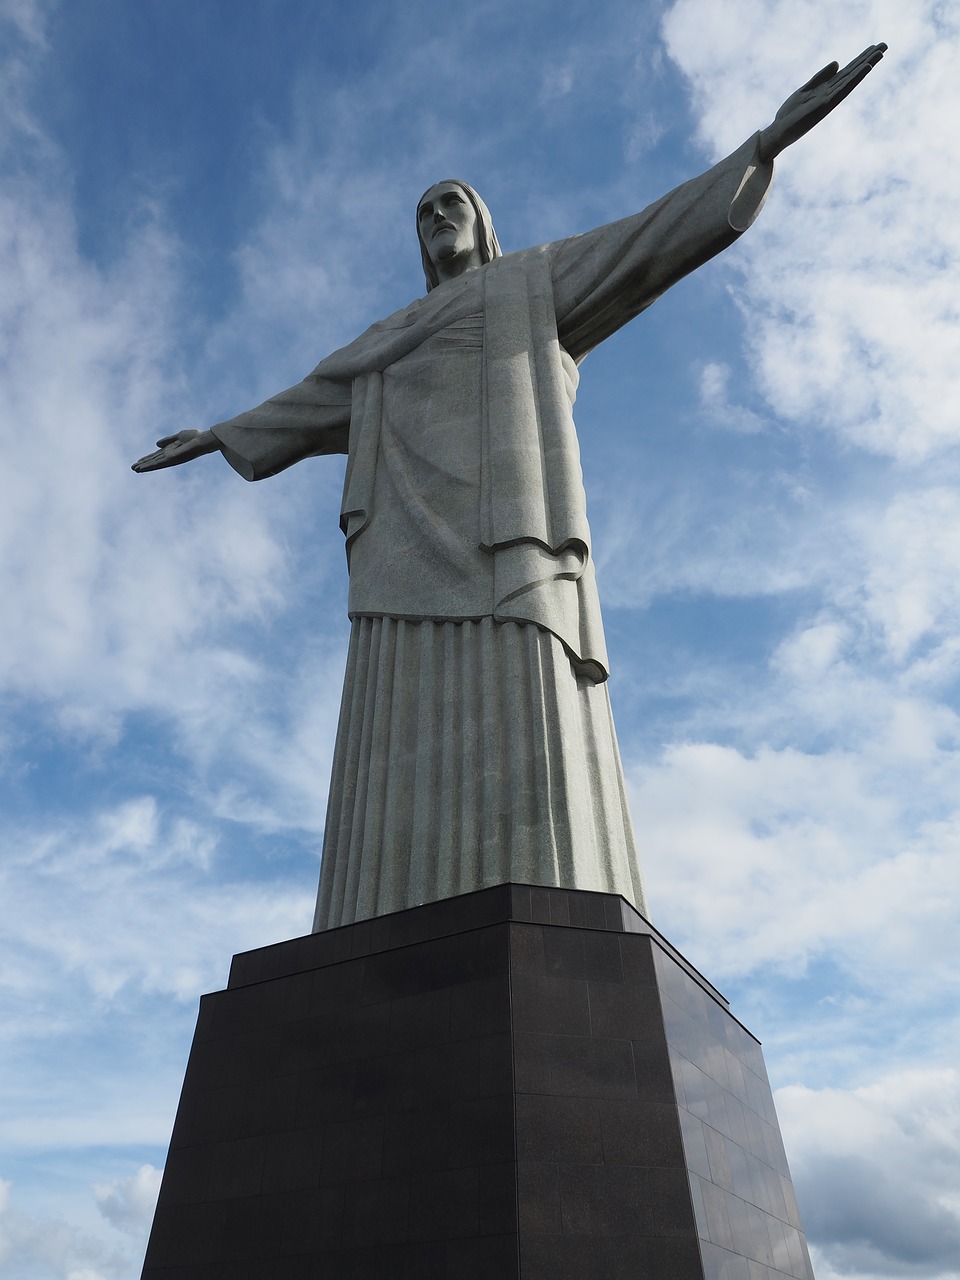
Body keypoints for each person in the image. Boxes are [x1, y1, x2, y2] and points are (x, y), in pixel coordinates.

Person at [134, 46, 886, 931]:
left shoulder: (533, 283)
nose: (434, 217)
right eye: (421, 213)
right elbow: (307, 401)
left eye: (449, 204)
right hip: (400, 559)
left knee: (529, 704)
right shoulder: (388, 333)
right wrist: (219, 433)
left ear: (483, 225)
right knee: (393, 724)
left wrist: (762, 147)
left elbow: (644, 243)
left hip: (509, 537)